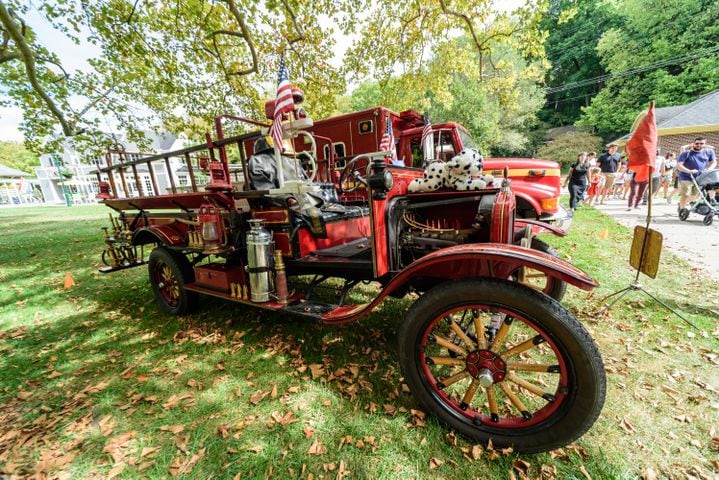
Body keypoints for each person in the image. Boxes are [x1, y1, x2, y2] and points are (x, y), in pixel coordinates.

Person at [676, 137, 717, 212]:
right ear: (693, 144)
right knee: (686, 194)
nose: (699, 145)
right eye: (697, 143)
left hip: (699, 177)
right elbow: (679, 165)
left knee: (695, 195)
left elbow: (714, 162)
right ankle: (682, 210)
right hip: (686, 176)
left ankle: (681, 204)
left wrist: (709, 169)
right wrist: (689, 171)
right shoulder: (686, 153)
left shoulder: (708, 152)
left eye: (701, 144)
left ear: (705, 144)